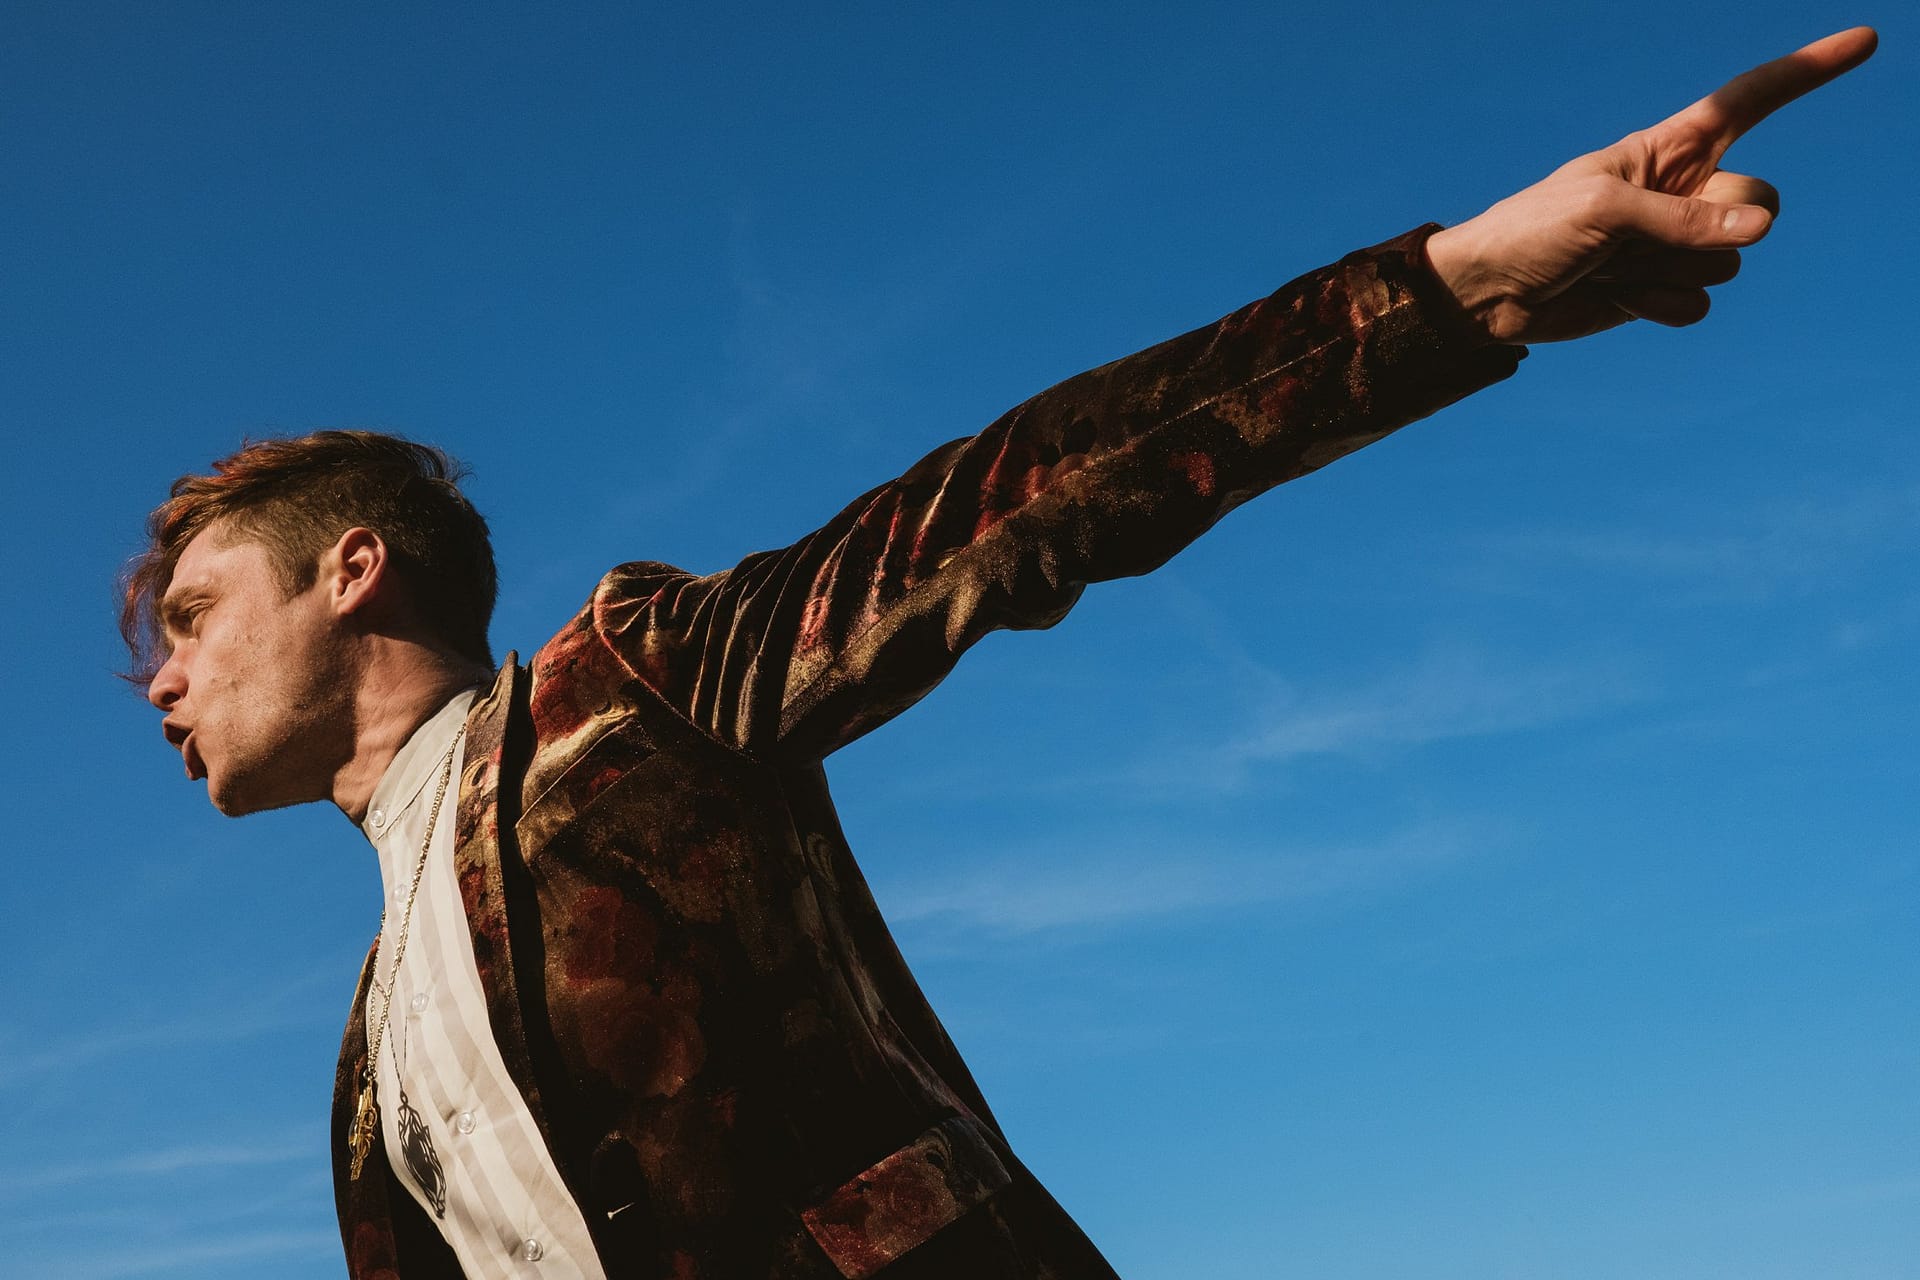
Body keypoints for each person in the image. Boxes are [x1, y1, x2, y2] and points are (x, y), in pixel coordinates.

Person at [123, 28, 1876, 1280]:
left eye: (193, 617)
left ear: (354, 572)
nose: (162, 681)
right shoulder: (368, 1066)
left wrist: (1453, 287)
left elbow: (1005, 510)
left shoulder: (626, 692)